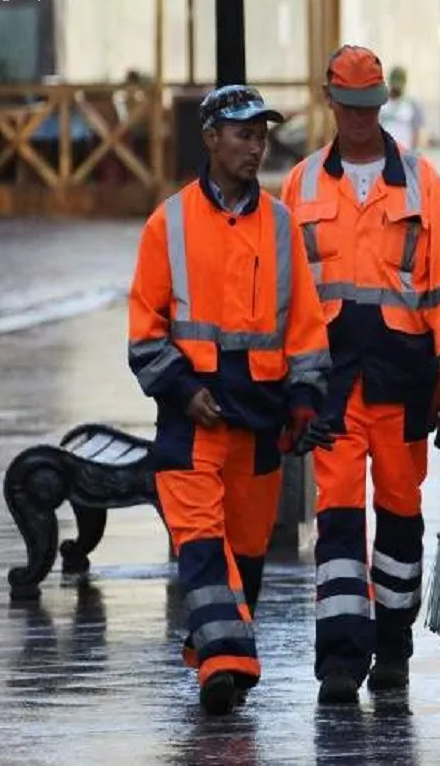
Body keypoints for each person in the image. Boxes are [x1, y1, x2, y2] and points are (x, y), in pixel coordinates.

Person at [127, 85, 332, 715]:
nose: (256, 147)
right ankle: (224, 661)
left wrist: (304, 401)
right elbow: (145, 331)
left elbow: (305, 326)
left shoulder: (281, 225)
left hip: (261, 417)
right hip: (192, 417)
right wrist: (183, 390)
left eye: (261, 136)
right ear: (211, 139)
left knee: (245, 550)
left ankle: (216, 647)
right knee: (201, 540)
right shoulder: (169, 223)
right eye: (244, 134)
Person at [280, 45, 440, 704]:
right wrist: (289, 385)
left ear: (382, 103)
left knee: (399, 516)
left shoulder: (420, 182)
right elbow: (288, 293)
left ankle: (393, 648)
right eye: (350, 106)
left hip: (403, 378)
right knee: (336, 519)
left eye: (370, 107)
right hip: (330, 380)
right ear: (330, 101)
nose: (361, 118)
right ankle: (339, 659)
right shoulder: (302, 184)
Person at [377, 65, 425, 151]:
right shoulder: (380, 103)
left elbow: (417, 132)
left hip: (404, 153)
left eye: (399, 82)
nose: (396, 87)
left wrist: (413, 153)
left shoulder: (412, 105)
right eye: (395, 82)